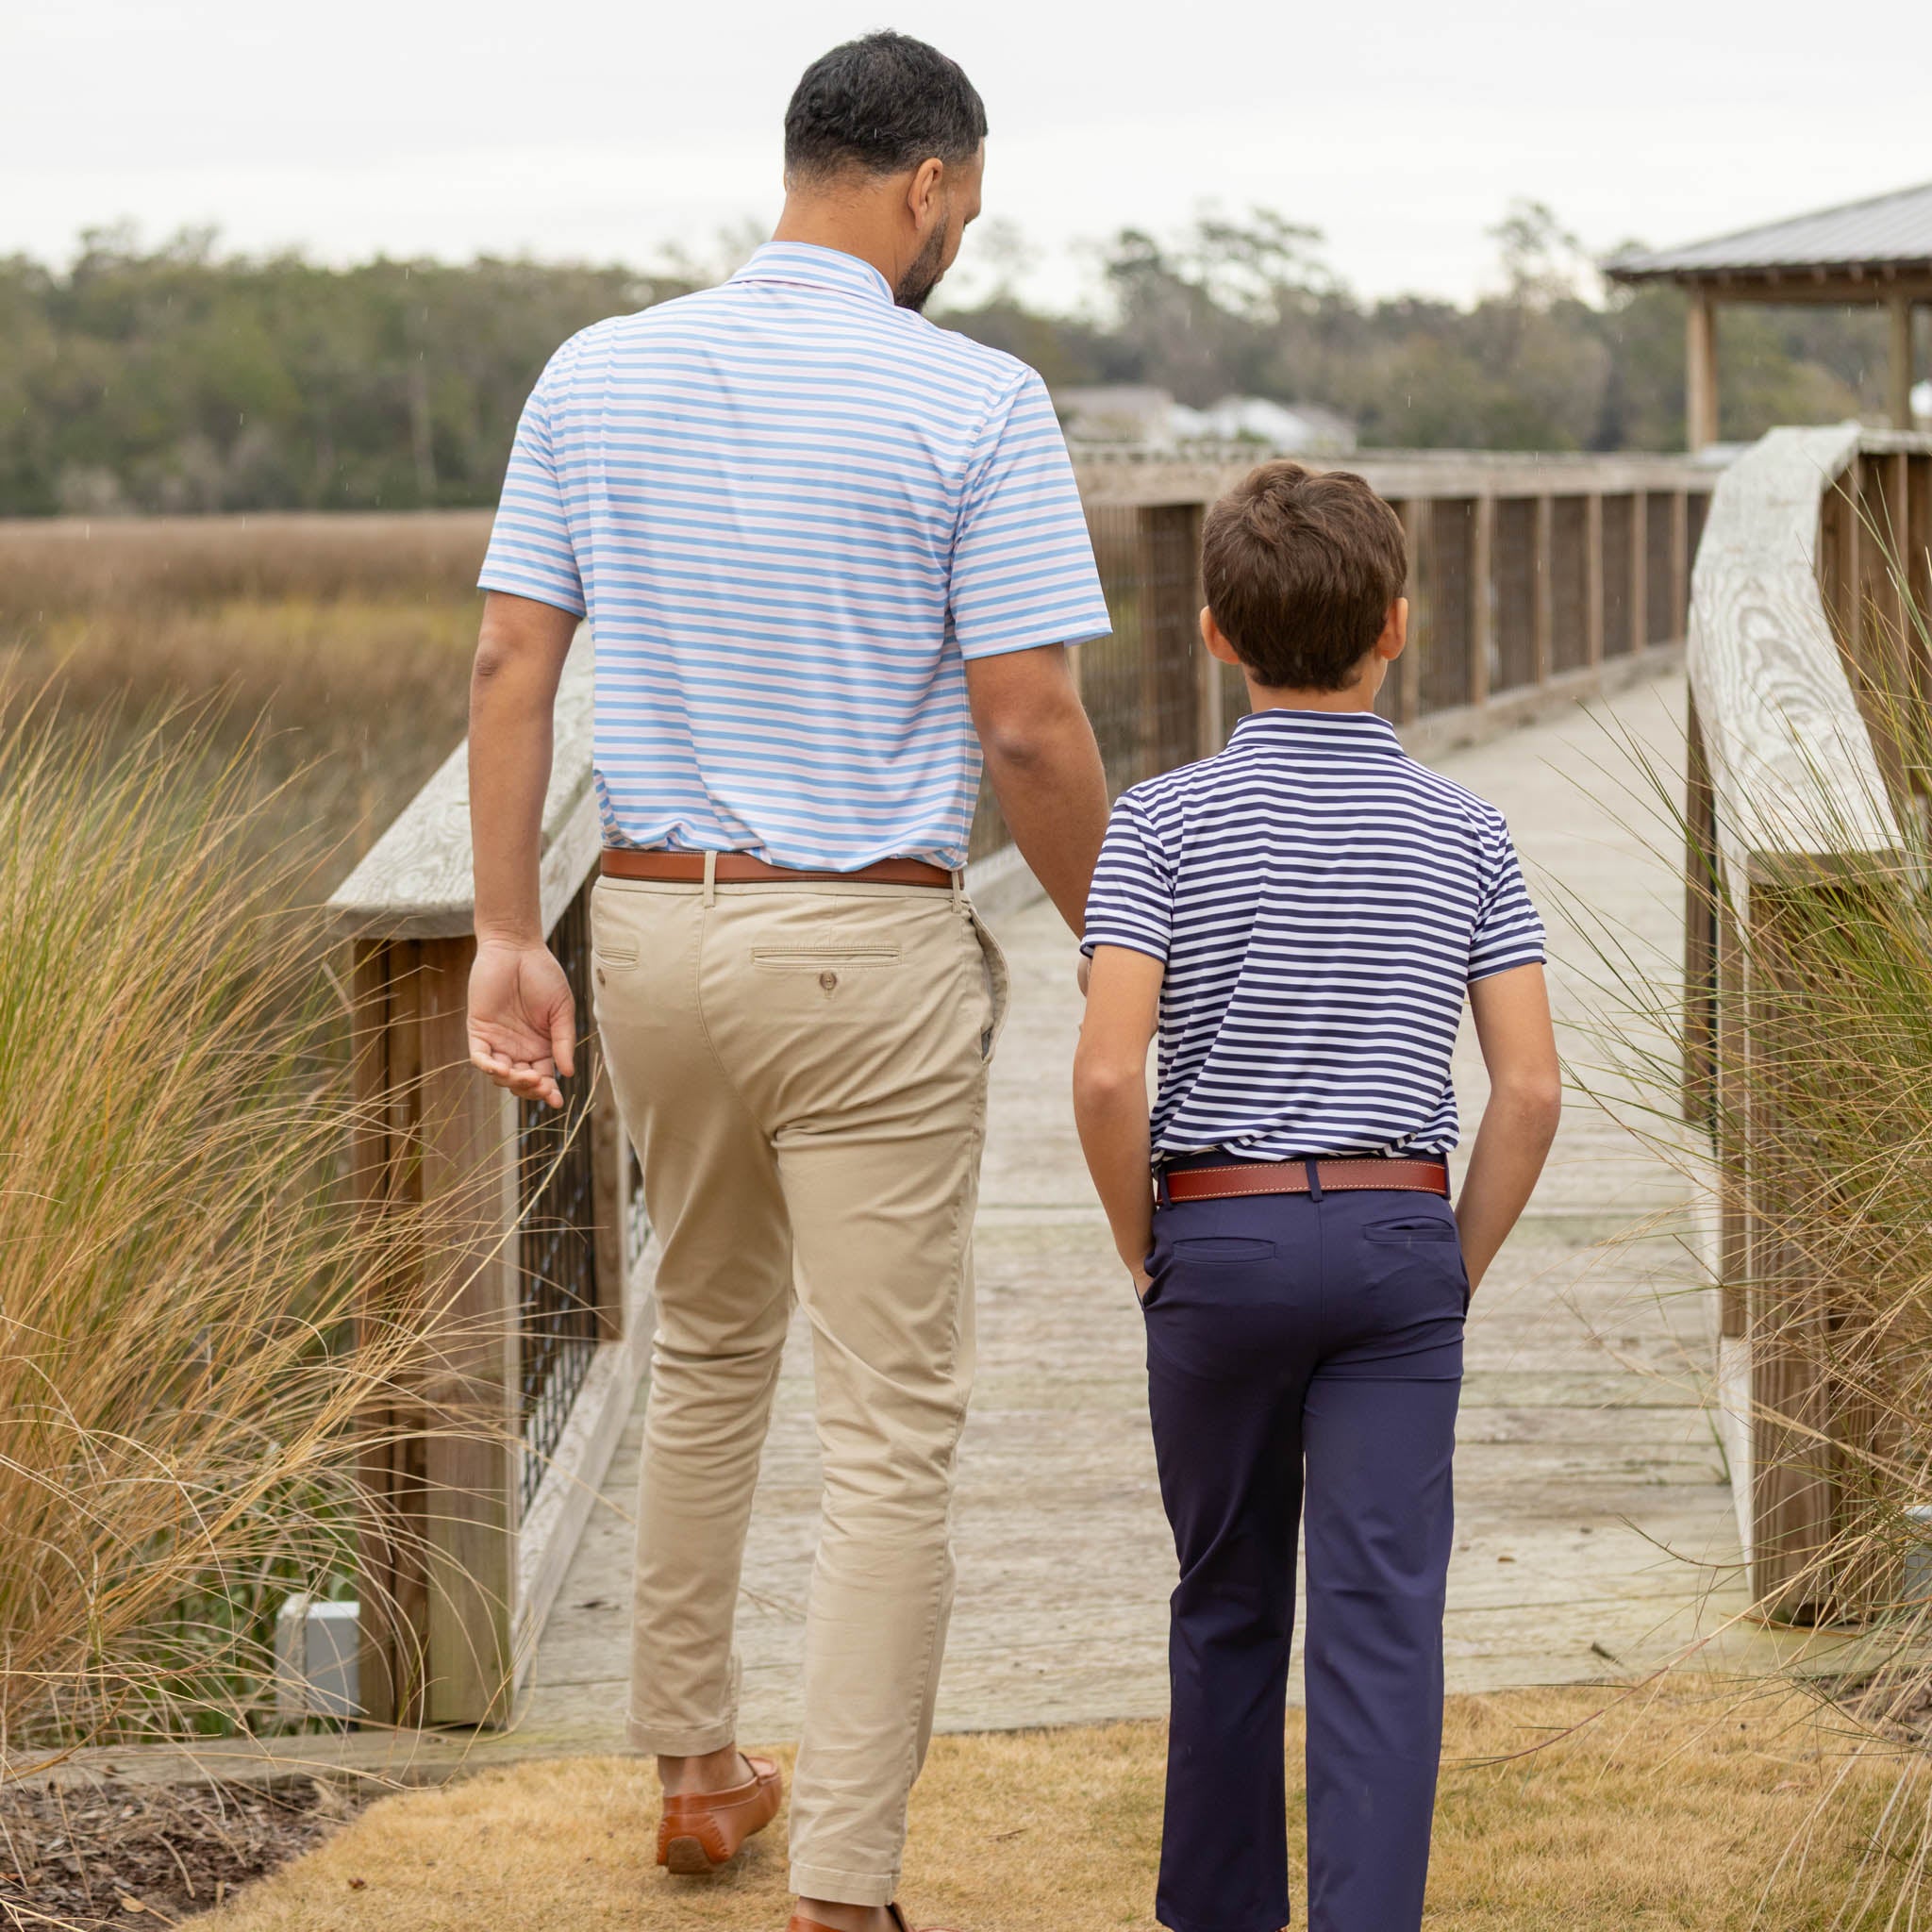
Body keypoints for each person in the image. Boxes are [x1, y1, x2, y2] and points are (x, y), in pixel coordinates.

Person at [462, 31, 1112, 1932]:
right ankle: (849, 1885)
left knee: (710, 1338)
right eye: (964, 213)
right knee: (893, 1417)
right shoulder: (977, 400)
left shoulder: (598, 371)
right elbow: (1030, 727)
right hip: (866, 944)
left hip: (653, 933)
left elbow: (512, 658)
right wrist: (1122, 934)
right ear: (924, 189)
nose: (959, 243)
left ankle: (694, 1773)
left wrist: (515, 932)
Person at [1073, 461, 1562, 1932]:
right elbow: (1531, 1091)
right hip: (1399, 1234)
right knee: (1381, 1622)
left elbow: (1107, 1080)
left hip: (1215, 1236)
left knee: (1224, 1600)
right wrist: (1446, 1269)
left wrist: (1147, 1254)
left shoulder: (1156, 828)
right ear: (1397, 627)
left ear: (1216, 634)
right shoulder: (1467, 832)